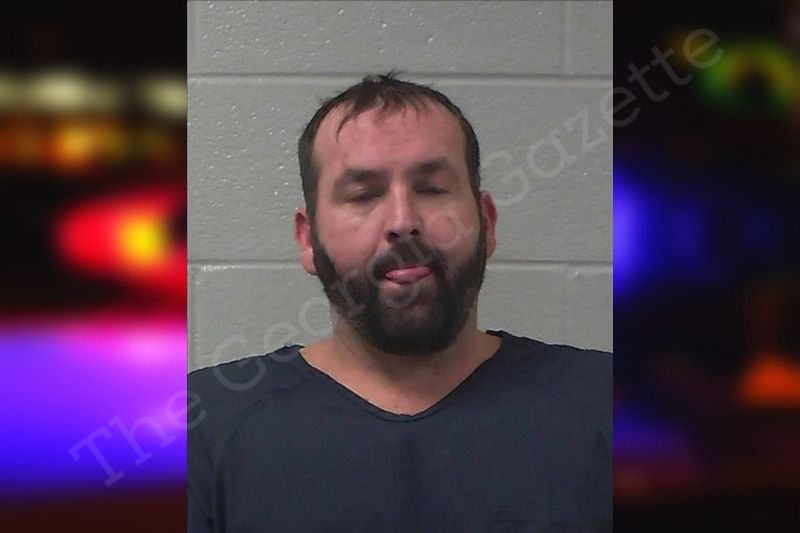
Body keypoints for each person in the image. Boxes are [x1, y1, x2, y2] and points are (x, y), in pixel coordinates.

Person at [188, 72, 612, 532]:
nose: (402, 221)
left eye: (431, 189)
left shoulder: (609, 405)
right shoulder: (203, 428)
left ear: (487, 223)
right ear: (309, 240)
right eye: (363, 195)